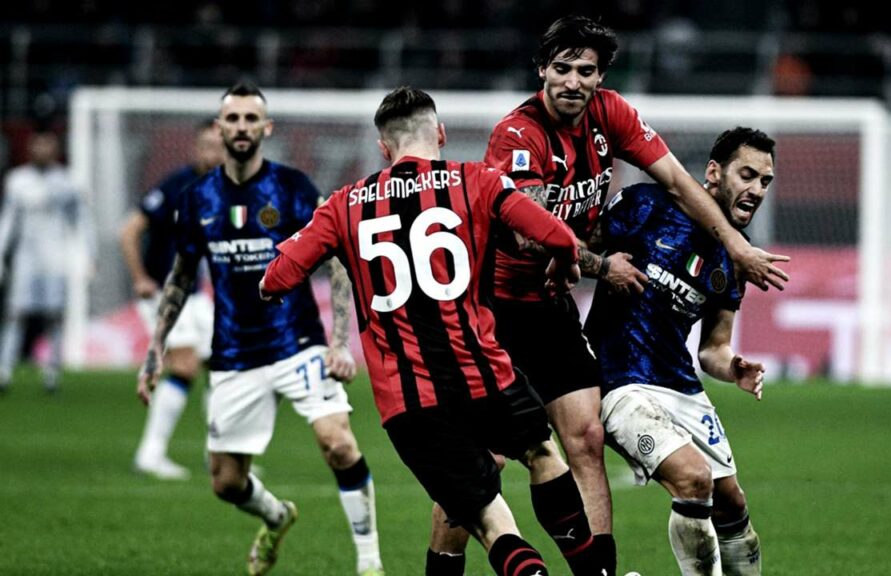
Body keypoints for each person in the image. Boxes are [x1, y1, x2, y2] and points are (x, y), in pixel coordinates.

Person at [450, 15, 790, 573]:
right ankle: (441, 563)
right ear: (543, 69)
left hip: (573, 320)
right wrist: (593, 264)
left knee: (590, 441)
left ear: (601, 77)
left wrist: (735, 251)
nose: (574, 81)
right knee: (481, 460)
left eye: (587, 71)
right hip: (501, 308)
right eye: (563, 68)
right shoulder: (520, 136)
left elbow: (680, 185)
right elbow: (524, 229)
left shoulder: (612, 115)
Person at [260, 86, 609, 576]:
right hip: (486, 373)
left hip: (410, 400)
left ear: (384, 149)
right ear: (440, 134)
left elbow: (277, 276)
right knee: (543, 453)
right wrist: (565, 262)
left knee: (488, 520)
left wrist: (272, 287)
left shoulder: (344, 205)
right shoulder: (478, 181)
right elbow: (554, 234)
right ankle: (593, 572)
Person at [136, 81, 384, 576]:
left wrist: (338, 342)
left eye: (252, 119)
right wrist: (156, 348)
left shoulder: (292, 188)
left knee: (338, 442)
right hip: (233, 353)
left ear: (266, 128)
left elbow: (336, 260)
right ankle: (275, 515)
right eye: (233, 119)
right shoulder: (197, 198)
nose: (243, 127)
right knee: (227, 483)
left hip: (298, 344)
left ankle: (370, 563)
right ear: (219, 127)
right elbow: (182, 276)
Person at [585, 127, 775, 575]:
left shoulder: (735, 256)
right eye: (747, 175)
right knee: (694, 480)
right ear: (714, 172)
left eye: (765, 181)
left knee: (732, 503)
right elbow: (575, 250)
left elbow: (713, 347)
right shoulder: (645, 206)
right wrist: (603, 269)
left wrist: (734, 367)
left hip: (680, 384)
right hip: (620, 379)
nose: (757, 189)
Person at [121, 122, 223, 480]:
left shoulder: (222, 190)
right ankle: (150, 453)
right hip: (163, 293)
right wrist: (139, 278)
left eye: (218, 146)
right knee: (184, 365)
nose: (211, 154)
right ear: (195, 148)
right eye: (205, 146)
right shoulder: (175, 185)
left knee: (224, 364)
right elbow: (129, 230)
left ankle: (219, 455)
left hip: (193, 295)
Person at [0, 130, 92, 394]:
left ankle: (51, 373)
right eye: (38, 144)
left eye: (47, 144)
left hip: (56, 258)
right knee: (15, 314)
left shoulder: (68, 181)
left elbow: (82, 222)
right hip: (25, 259)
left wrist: (88, 255)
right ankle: (4, 371)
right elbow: (8, 221)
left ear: (56, 148)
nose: (42, 149)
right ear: (30, 148)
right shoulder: (17, 180)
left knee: (54, 316)